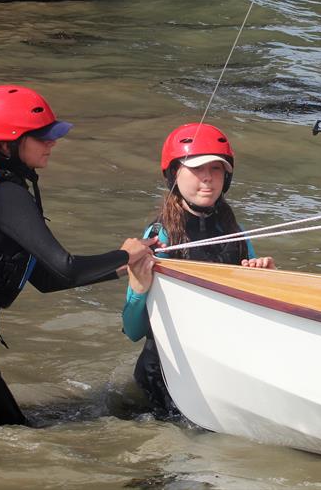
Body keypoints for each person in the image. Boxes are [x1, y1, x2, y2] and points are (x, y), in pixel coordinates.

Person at [0, 85, 157, 430]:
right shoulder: (7, 194)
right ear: (6, 144)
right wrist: (124, 253)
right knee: (14, 447)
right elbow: (66, 268)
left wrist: (126, 266)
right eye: (41, 136)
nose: (52, 142)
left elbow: (47, 280)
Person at [122, 122, 275, 419]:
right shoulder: (158, 237)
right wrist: (139, 289)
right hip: (161, 381)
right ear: (173, 174)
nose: (207, 178)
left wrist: (266, 278)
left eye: (216, 169)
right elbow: (132, 331)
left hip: (216, 377)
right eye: (197, 168)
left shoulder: (236, 233)